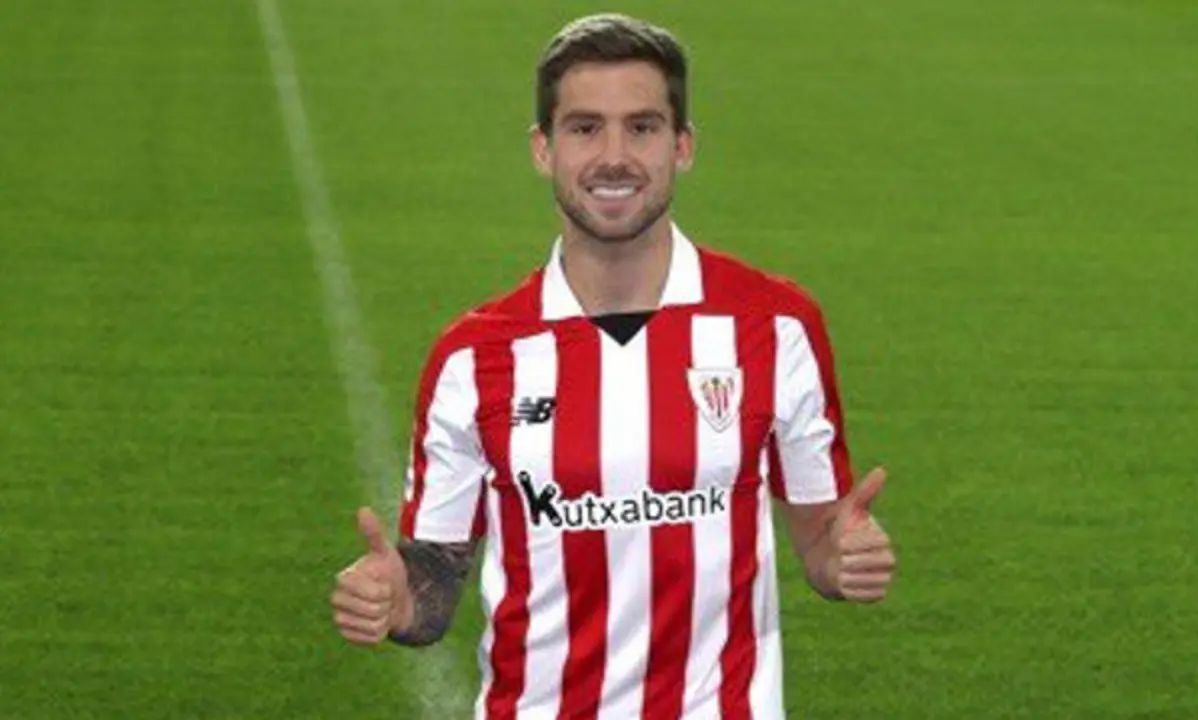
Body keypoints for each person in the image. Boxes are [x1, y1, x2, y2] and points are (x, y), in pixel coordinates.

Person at [329, 12, 896, 719]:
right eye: (585, 127)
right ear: (544, 149)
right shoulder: (474, 357)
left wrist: (845, 559)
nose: (615, 155)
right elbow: (438, 574)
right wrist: (396, 596)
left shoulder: (774, 327)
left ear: (683, 146)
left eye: (643, 127)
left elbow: (819, 537)